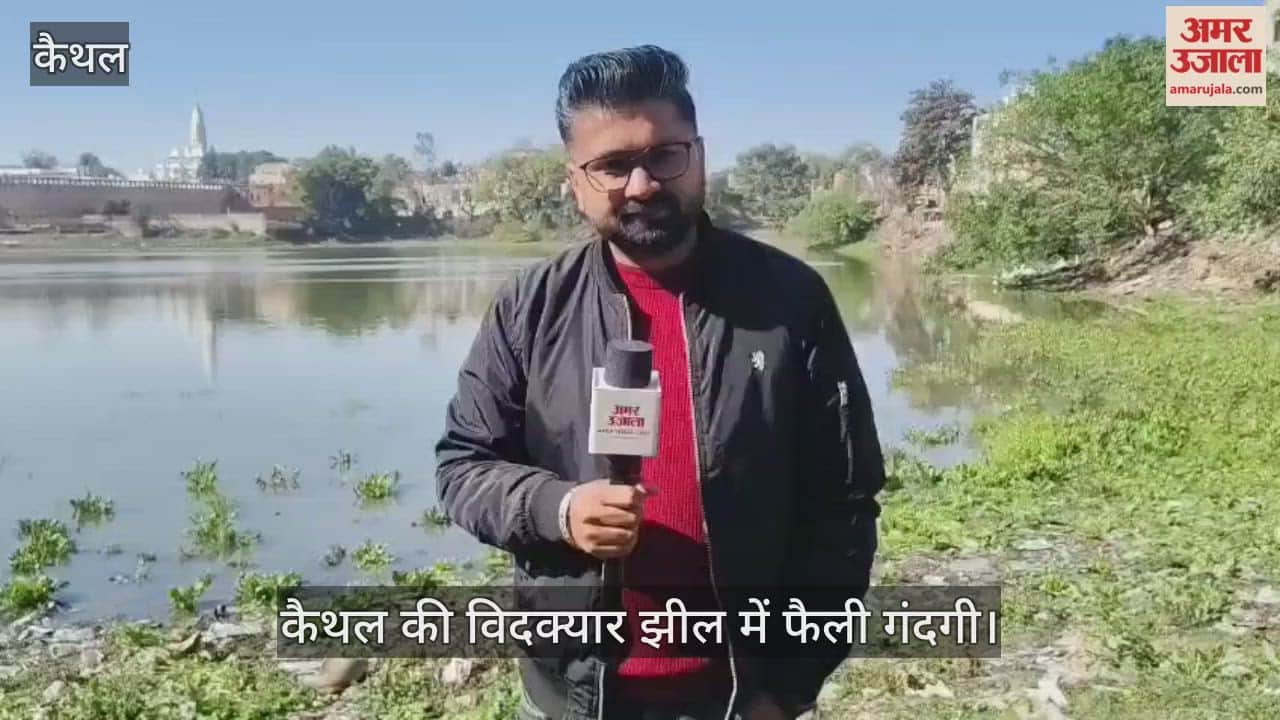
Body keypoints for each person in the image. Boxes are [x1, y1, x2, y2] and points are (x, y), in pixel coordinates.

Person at [435, 45, 884, 720]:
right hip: (573, 694)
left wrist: (788, 687)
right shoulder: (530, 306)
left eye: (664, 155)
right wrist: (557, 508)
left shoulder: (791, 299)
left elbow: (843, 504)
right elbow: (464, 466)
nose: (642, 183)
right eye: (612, 165)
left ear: (698, 155)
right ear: (576, 183)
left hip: (739, 693)